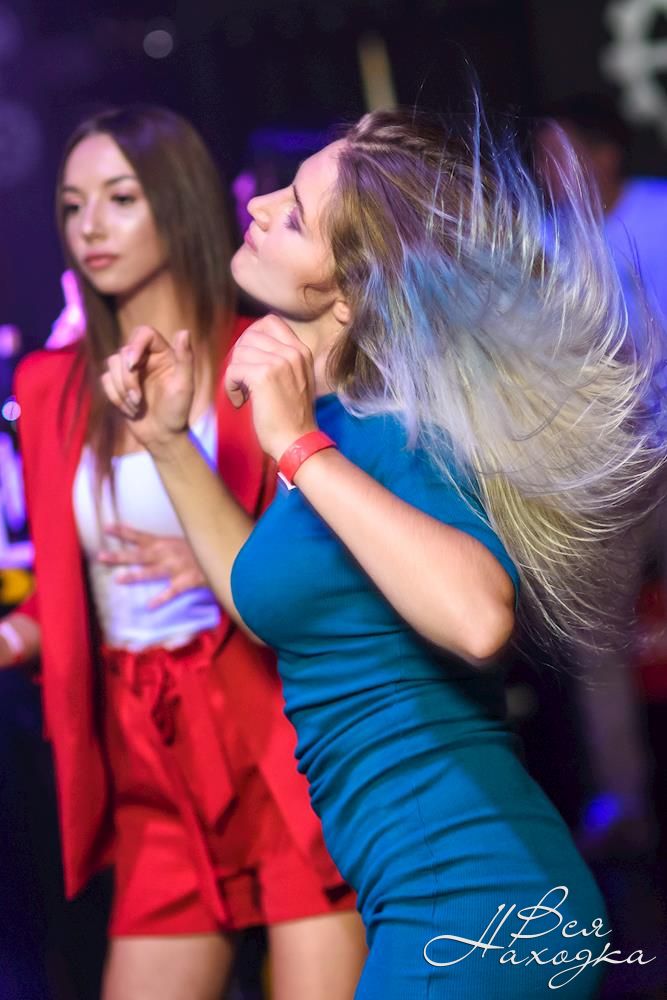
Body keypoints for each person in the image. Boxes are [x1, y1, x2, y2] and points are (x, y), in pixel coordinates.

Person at [101, 107, 666, 997]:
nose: (258, 206)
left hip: (478, 904)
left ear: (348, 294)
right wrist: (169, 443)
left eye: (293, 214)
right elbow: (263, 603)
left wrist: (294, 447)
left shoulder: (401, 430)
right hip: (430, 902)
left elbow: (478, 617)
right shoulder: (333, 428)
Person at [3, 106, 366, 1000]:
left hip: (271, 727)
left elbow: (331, 552)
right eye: (72, 205)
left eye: (120, 198)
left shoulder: (264, 352)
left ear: (178, 201)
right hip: (146, 745)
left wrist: (215, 556)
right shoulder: (49, 384)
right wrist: (16, 635)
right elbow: (70, 585)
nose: (90, 226)